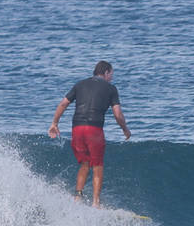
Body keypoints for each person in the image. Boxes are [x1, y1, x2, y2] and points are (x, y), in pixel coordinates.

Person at [48, 60, 131, 207]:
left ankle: (78, 198)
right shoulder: (111, 89)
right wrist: (125, 129)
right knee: (97, 165)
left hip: (77, 129)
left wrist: (54, 123)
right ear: (106, 73)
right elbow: (117, 113)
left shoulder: (80, 84)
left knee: (85, 164)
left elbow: (63, 103)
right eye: (111, 74)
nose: (112, 77)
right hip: (94, 130)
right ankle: (96, 202)